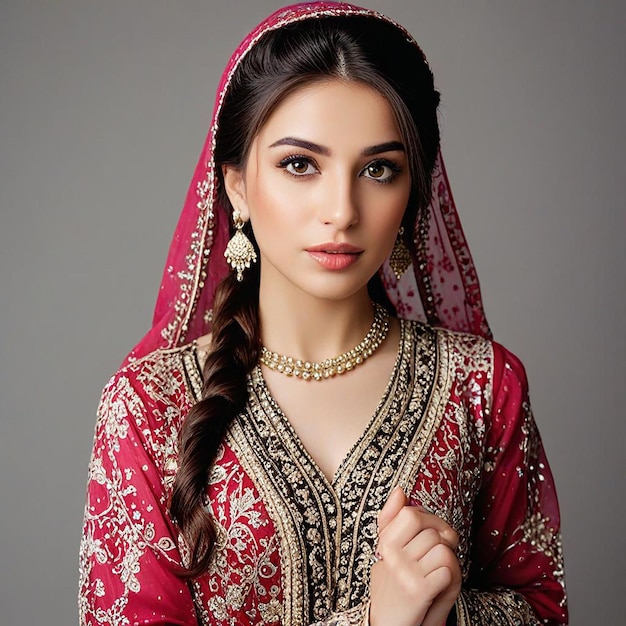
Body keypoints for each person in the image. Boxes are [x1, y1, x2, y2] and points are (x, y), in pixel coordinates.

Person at [78, 3, 567, 625]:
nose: (341, 209)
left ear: (412, 189)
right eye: (300, 165)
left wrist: (449, 614)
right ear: (235, 185)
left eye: (378, 170)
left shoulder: (481, 388)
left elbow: (543, 610)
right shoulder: (148, 409)